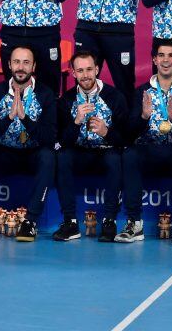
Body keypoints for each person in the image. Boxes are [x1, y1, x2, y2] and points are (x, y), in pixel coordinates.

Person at [0, 46, 57, 242]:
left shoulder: (45, 94)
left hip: (32, 154)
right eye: (17, 62)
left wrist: (25, 118)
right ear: (9, 64)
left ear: (34, 66)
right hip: (3, 153)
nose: (21, 67)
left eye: (26, 62)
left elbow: (49, 137)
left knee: (48, 156)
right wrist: (9, 118)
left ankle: (30, 222)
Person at [117, 42, 172, 244]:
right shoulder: (142, 91)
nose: (165, 60)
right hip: (149, 147)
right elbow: (129, 133)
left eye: (171, 56)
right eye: (161, 55)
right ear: (154, 60)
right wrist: (143, 117)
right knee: (129, 155)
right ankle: (134, 223)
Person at [54, 50, 128, 242]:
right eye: (80, 70)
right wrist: (76, 122)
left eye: (89, 69)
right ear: (73, 73)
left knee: (115, 159)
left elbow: (126, 139)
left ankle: (109, 221)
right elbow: (61, 142)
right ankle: (70, 222)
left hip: (106, 152)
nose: (85, 75)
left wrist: (106, 132)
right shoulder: (66, 101)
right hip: (78, 153)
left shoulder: (115, 96)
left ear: (97, 69)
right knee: (63, 157)